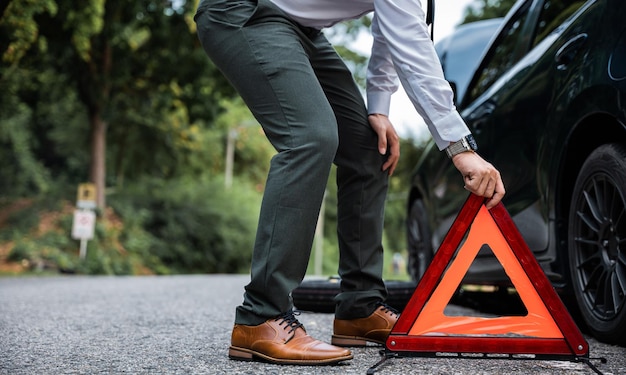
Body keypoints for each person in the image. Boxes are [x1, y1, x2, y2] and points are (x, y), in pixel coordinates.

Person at [194, 0, 506, 366]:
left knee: (368, 149)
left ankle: (359, 307)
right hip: (246, 12)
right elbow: (410, 43)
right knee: (310, 137)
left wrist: (378, 108)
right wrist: (459, 147)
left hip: (301, 30)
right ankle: (261, 316)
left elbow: (392, 28)